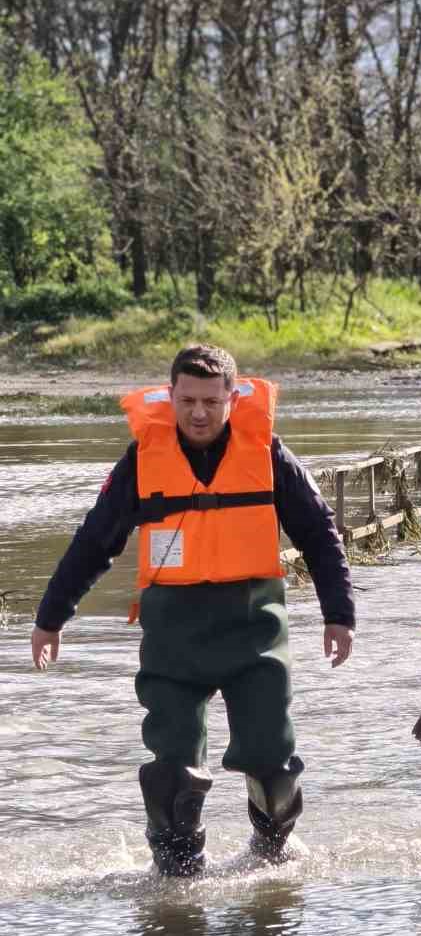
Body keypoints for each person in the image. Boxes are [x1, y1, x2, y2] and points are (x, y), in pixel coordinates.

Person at [30, 344, 355, 878]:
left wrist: (338, 614)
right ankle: (178, 877)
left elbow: (320, 535)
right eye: (187, 401)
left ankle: (272, 856)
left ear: (232, 397)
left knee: (272, 763)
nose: (198, 413)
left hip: (255, 634)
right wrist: (51, 618)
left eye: (210, 400)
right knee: (170, 773)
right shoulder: (142, 459)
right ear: (171, 396)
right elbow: (94, 541)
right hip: (173, 642)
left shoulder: (268, 454)